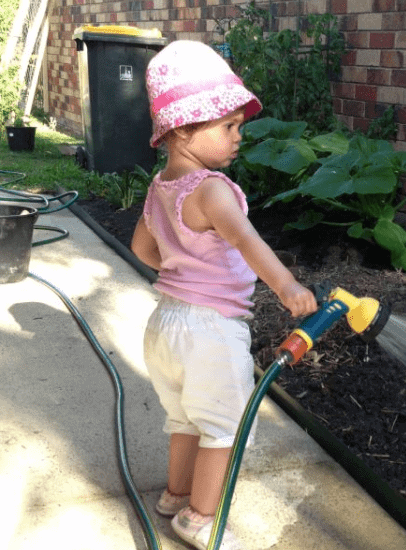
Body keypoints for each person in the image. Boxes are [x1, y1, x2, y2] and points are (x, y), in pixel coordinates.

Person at [131, 40, 317, 550]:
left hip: (166, 324)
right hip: (210, 330)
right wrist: (288, 286)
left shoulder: (161, 186)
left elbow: (143, 249)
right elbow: (246, 240)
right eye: (229, 127)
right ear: (185, 130)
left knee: (184, 418)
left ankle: (175, 495)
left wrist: (184, 266)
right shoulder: (212, 189)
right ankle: (198, 517)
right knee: (224, 428)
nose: (239, 137)